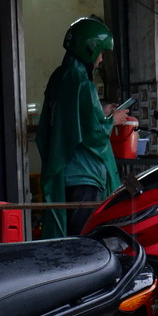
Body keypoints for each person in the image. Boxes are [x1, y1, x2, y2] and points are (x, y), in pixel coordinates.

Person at [37, 17, 131, 238]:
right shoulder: (81, 82)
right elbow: (93, 134)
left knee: (69, 238)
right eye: (100, 53)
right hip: (84, 177)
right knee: (84, 242)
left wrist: (103, 112)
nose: (100, 60)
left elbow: (73, 119)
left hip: (66, 176)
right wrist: (113, 121)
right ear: (90, 49)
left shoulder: (59, 77)